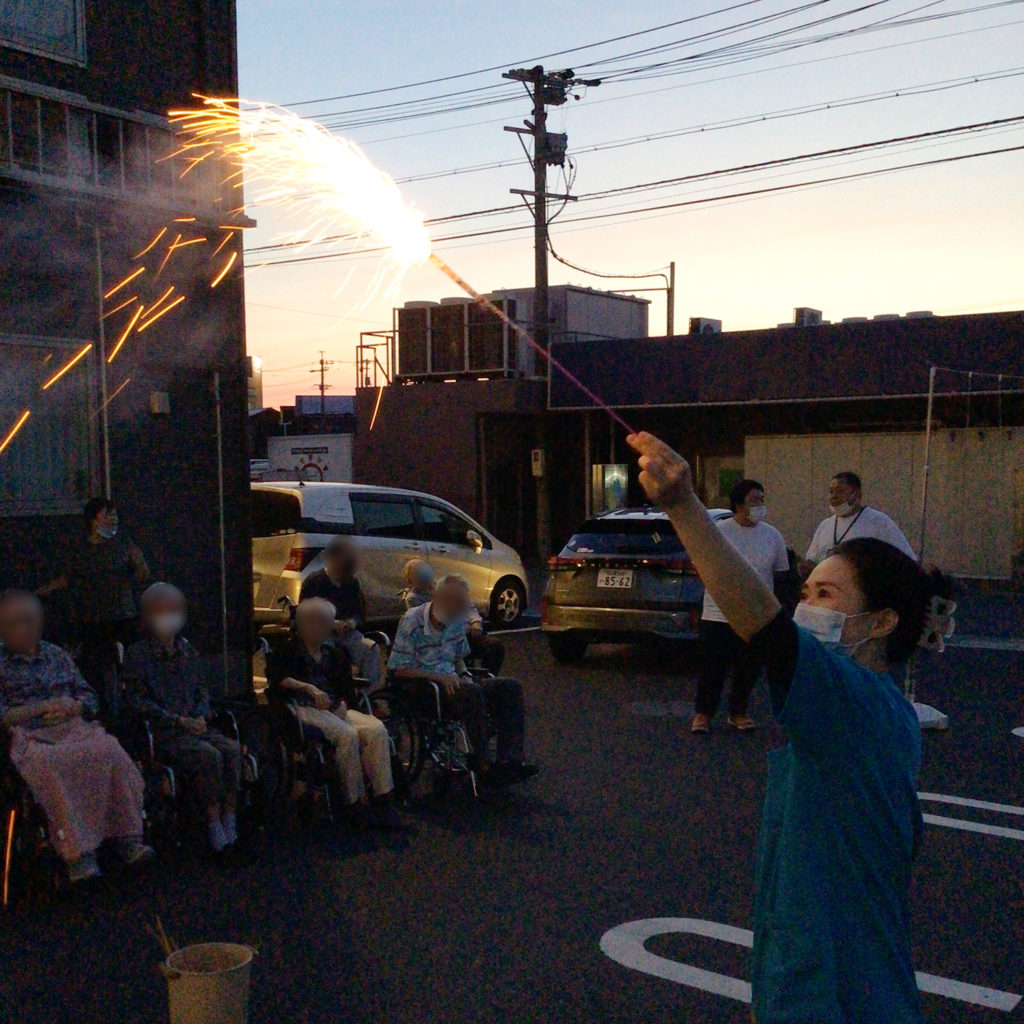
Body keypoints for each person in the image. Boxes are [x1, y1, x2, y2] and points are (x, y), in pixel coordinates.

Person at [628, 431, 950, 1024]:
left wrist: (684, 507)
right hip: (816, 990)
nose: (807, 606)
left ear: (881, 622)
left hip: (845, 1001)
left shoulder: (858, 703)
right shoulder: (867, 711)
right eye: (805, 592)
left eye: (825, 595)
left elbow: (768, 631)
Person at [0, 589, 152, 883]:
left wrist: (74, 707)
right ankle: (78, 855)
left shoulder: (56, 655)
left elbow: (89, 697)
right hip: (30, 734)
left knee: (110, 750)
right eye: (15, 622)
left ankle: (127, 839)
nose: (25, 627)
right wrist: (42, 708)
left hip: (72, 725)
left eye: (29, 620)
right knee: (54, 764)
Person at [123, 583, 242, 855]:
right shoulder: (138, 655)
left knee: (232, 750)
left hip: (195, 725)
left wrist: (199, 715)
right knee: (209, 756)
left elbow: (202, 690)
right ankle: (213, 826)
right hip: (166, 731)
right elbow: (137, 701)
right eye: (161, 610)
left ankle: (230, 819)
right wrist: (178, 720)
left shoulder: (188, 650)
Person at [388, 574, 537, 786]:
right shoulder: (412, 621)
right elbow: (398, 669)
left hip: (455, 681)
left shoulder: (456, 620)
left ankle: (511, 760)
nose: (457, 608)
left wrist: (465, 675)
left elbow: (459, 660)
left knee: (509, 687)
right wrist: (438, 677)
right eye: (453, 602)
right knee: (472, 693)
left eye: (460, 604)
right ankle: (483, 764)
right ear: (438, 597)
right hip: (423, 686)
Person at [266, 598, 401, 830]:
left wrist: (341, 703)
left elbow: (346, 690)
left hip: (333, 709)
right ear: (299, 624)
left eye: (322, 622)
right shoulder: (286, 650)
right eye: (311, 621)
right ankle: (354, 802)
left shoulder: (335, 654)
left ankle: (383, 798)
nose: (316, 627)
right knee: (347, 735)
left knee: (376, 729)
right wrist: (308, 687)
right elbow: (276, 679)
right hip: (303, 708)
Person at [693, 479, 790, 735]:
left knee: (748, 667)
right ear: (738, 505)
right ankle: (703, 714)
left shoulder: (772, 535)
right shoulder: (720, 531)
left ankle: (738, 712)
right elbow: (704, 567)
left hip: (757, 615)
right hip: (719, 613)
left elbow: (781, 573)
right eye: (754, 500)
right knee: (714, 666)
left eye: (762, 499)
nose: (760, 505)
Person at [38, 497, 151, 718]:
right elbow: (67, 579)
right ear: (93, 520)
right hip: (93, 619)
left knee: (134, 665)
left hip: (123, 617)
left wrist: (139, 562)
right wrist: (39, 592)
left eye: (115, 516)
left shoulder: (124, 544)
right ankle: (105, 712)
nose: (113, 520)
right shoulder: (80, 549)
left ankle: (139, 709)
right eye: (107, 515)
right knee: (96, 669)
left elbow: (142, 575)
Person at [300, 537, 383, 690]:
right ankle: (327, 691)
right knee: (325, 651)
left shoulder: (352, 582)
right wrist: (329, 624)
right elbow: (304, 615)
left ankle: (371, 697)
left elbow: (360, 613)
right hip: (323, 633)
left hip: (348, 633)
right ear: (334, 558)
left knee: (370, 649)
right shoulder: (314, 582)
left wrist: (350, 622)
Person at [802, 471, 915, 574]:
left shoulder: (879, 522)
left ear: (857, 495)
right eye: (831, 492)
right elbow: (813, 560)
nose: (833, 497)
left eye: (840, 491)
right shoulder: (825, 525)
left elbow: (907, 558)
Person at [401, 559, 503, 672]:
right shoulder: (414, 598)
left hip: (470, 633)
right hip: (447, 640)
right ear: (410, 580)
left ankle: (488, 678)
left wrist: (476, 623)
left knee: (495, 646)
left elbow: (469, 607)